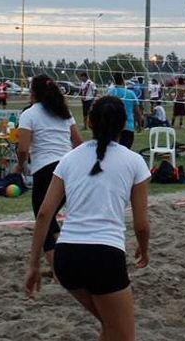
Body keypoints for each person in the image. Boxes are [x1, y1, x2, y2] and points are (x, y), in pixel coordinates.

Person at [24, 95, 150, 341]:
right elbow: (141, 224)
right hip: (103, 256)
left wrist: (34, 264)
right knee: (122, 334)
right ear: (123, 126)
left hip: (66, 258)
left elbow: (43, 214)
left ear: (89, 123)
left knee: (112, 327)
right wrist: (144, 251)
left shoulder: (69, 159)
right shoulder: (135, 161)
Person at [15, 75, 82, 267]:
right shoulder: (63, 112)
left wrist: (20, 165)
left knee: (43, 221)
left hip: (47, 170)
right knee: (50, 219)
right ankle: (62, 262)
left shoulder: (29, 114)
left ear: (34, 93)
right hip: (70, 168)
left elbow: (22, 148)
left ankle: (58, 269)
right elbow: (78, 143)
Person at [107, 73, 143, 149]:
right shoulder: (130, 93)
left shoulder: (110, 93)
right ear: (124, 81)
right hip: (128, 127)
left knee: (113, 151)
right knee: (126, 151)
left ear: (114, 81)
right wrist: (139, 125)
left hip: (113, 127)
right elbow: (137, 112)